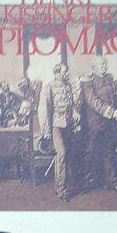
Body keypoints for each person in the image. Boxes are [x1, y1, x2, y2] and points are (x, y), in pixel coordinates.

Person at [80, 56, 117, 192]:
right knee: (90, 152)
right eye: (102, 64)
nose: (105, 66)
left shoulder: (109, 78)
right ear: (94, 67)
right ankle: (86, 183)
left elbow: (112, 97)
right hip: (94, 123)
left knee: (109, 152)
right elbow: (92, 100)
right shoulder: (88, 80)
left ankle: (112, 182)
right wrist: (111, 112)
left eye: (105, 64)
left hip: (109, 123)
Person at [42, 63, 78, 202]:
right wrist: (46, 130)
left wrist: (75, 113)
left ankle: (61, 186)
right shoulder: (49, 86)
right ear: (57, 73)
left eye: (67, 72)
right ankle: (62, 190)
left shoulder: (68, 86)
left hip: (68, 125)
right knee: (61, 154)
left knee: (66, 155)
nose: (67, 74)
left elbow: (71, 104)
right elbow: (46, 110)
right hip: (56, 125)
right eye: (65, 72)